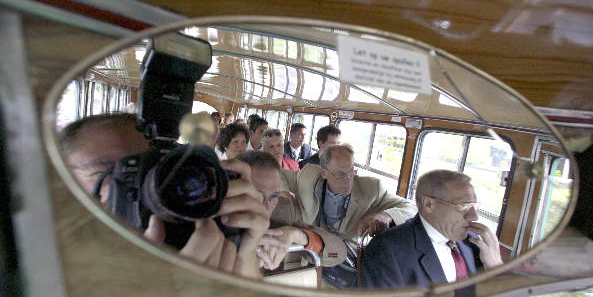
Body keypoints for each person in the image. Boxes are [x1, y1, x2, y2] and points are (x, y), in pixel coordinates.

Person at [60, 113, 268, 279]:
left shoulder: (197, 229)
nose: (140, 190)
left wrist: (245, 254)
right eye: (112, 173)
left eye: (155, 174)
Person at [360, 169, 503, 289]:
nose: (474, 216)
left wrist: (495, 267)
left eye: (475, 207)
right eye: (464, 207)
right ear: (429, 204)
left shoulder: (473, 244)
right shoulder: (387, 249)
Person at [280, 144, 416, 243]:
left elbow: (412, 207)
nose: (348, 179)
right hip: (311, 247)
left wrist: (387, 216)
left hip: (347, 258)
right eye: (340, 174)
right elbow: (277, 173)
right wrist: (285, 196)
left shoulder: (371, 189)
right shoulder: (309, 178)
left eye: (351, 171)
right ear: (324, 173)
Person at [237, 151, 345, 270]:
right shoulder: (216, 219)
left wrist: (297, 235)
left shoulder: (284, 211)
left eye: (274, 197)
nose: (266, 208)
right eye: (257, 196)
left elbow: (339, 254)